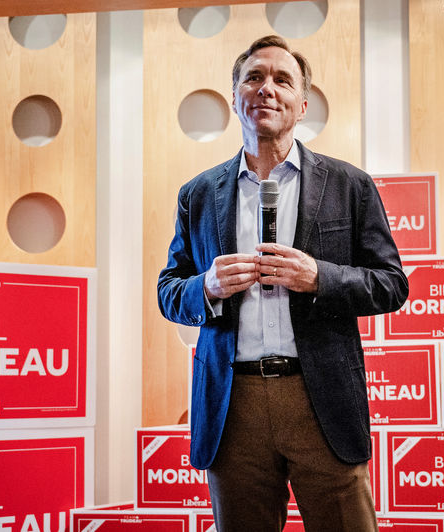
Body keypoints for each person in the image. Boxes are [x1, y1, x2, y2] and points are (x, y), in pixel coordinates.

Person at [157, 35, 408, 532]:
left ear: (303, 103)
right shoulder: (200, 194)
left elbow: (391, 283)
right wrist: (205, 286)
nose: (266, 89)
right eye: (253, 77)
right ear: (234, 97)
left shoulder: (349, 185)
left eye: (282, 80)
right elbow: (169, 291)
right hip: (234, 404)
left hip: (321, 399)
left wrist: (320, 277)